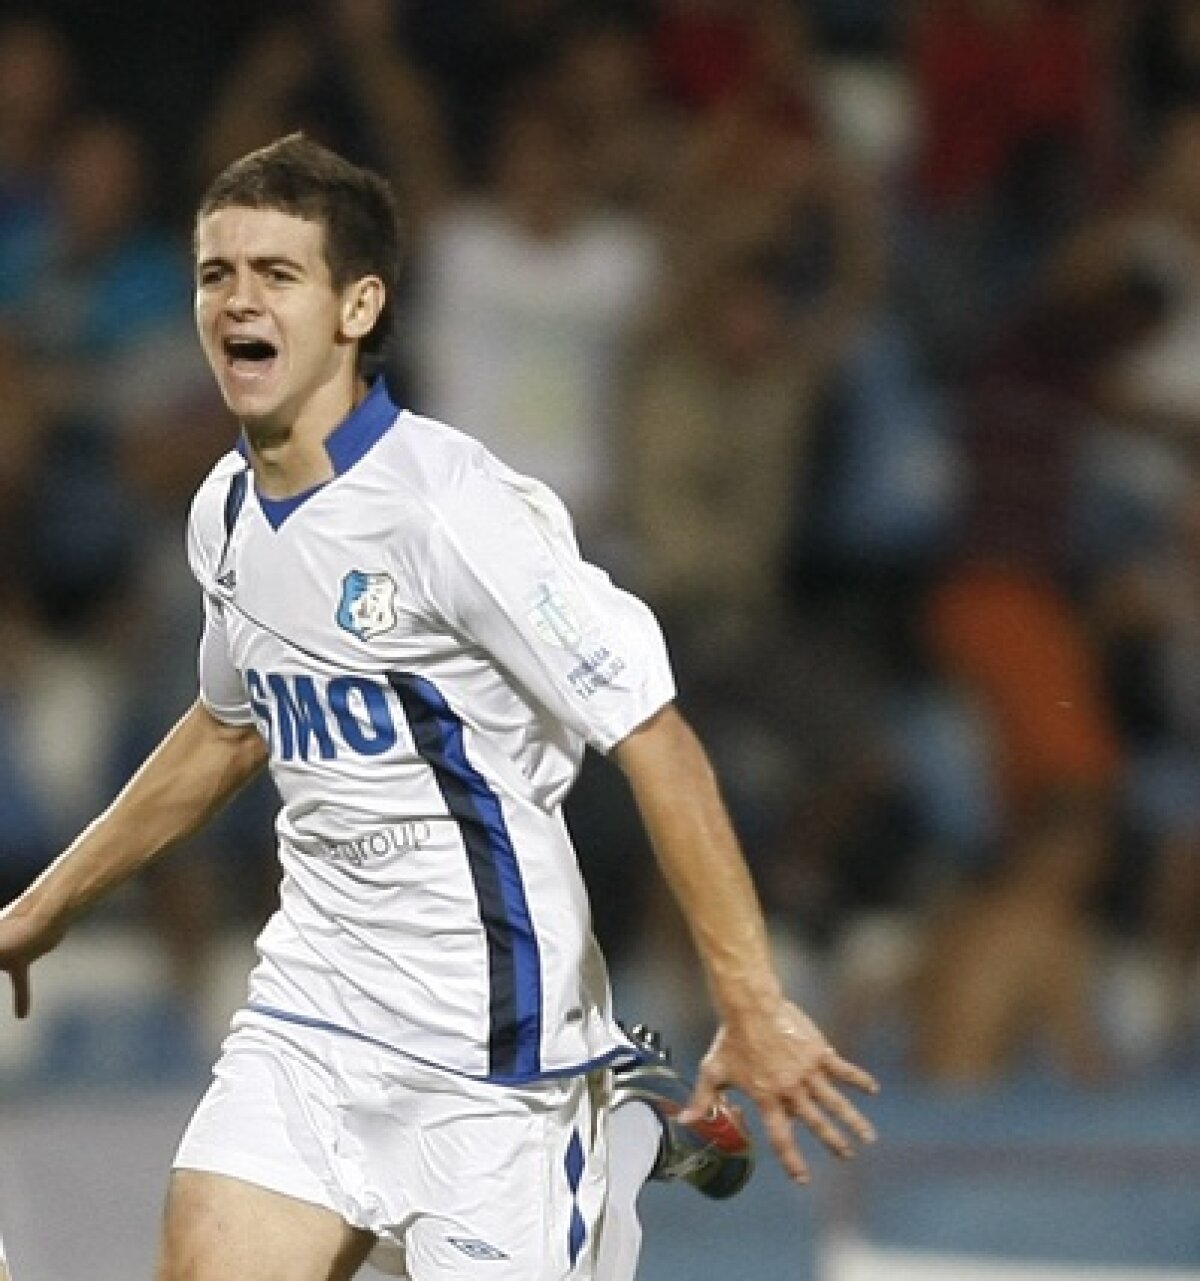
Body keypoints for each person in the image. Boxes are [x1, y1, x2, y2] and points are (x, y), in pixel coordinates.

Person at [0, 134, 877, 1281]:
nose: (238, 301)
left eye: (277, 274)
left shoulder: (456, 510)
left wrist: (753, 1003)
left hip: (495, 1054)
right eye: (218, 273)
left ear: (358, 305)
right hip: (311, 1015)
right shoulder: (226, 511)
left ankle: (618, 1125)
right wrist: (44, 906)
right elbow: (230, 725)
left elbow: (657, 741)